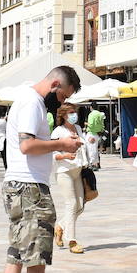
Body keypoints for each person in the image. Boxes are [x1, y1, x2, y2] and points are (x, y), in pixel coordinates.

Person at [0, 66, 82, 273]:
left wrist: (57, 147)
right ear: (55, 83)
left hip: (17, 185)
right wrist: (60, 142)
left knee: (16, 257)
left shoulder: (25, 99)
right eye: (62, 96)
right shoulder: (33, 102)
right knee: (35, 259)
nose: (61, 103)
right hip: (29, 189)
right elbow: (26, 145)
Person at [50, 103, 88, 254]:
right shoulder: (58, 131)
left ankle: (60, 227)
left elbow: (82, 146)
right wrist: (65, 155)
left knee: (80, 205)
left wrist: (80, 142)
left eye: (75, 112)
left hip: (78, 169)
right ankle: (71, 241)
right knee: (71, 203)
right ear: (64, 115)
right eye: (71, 112)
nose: (74, 115)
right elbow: (52, 153)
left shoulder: (78, 128)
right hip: (64, 170)